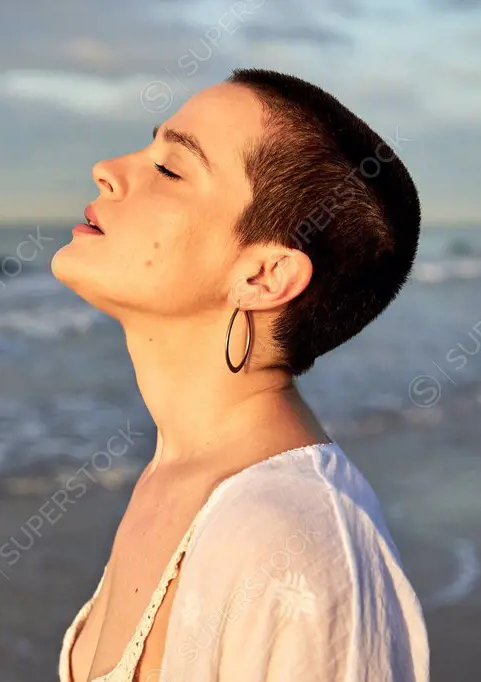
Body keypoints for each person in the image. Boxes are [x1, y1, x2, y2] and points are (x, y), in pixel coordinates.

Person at [51, 68, 429, 681]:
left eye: (171, 169)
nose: (107, 169)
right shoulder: (176, 473)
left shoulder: (294, 539)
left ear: (263, 276)